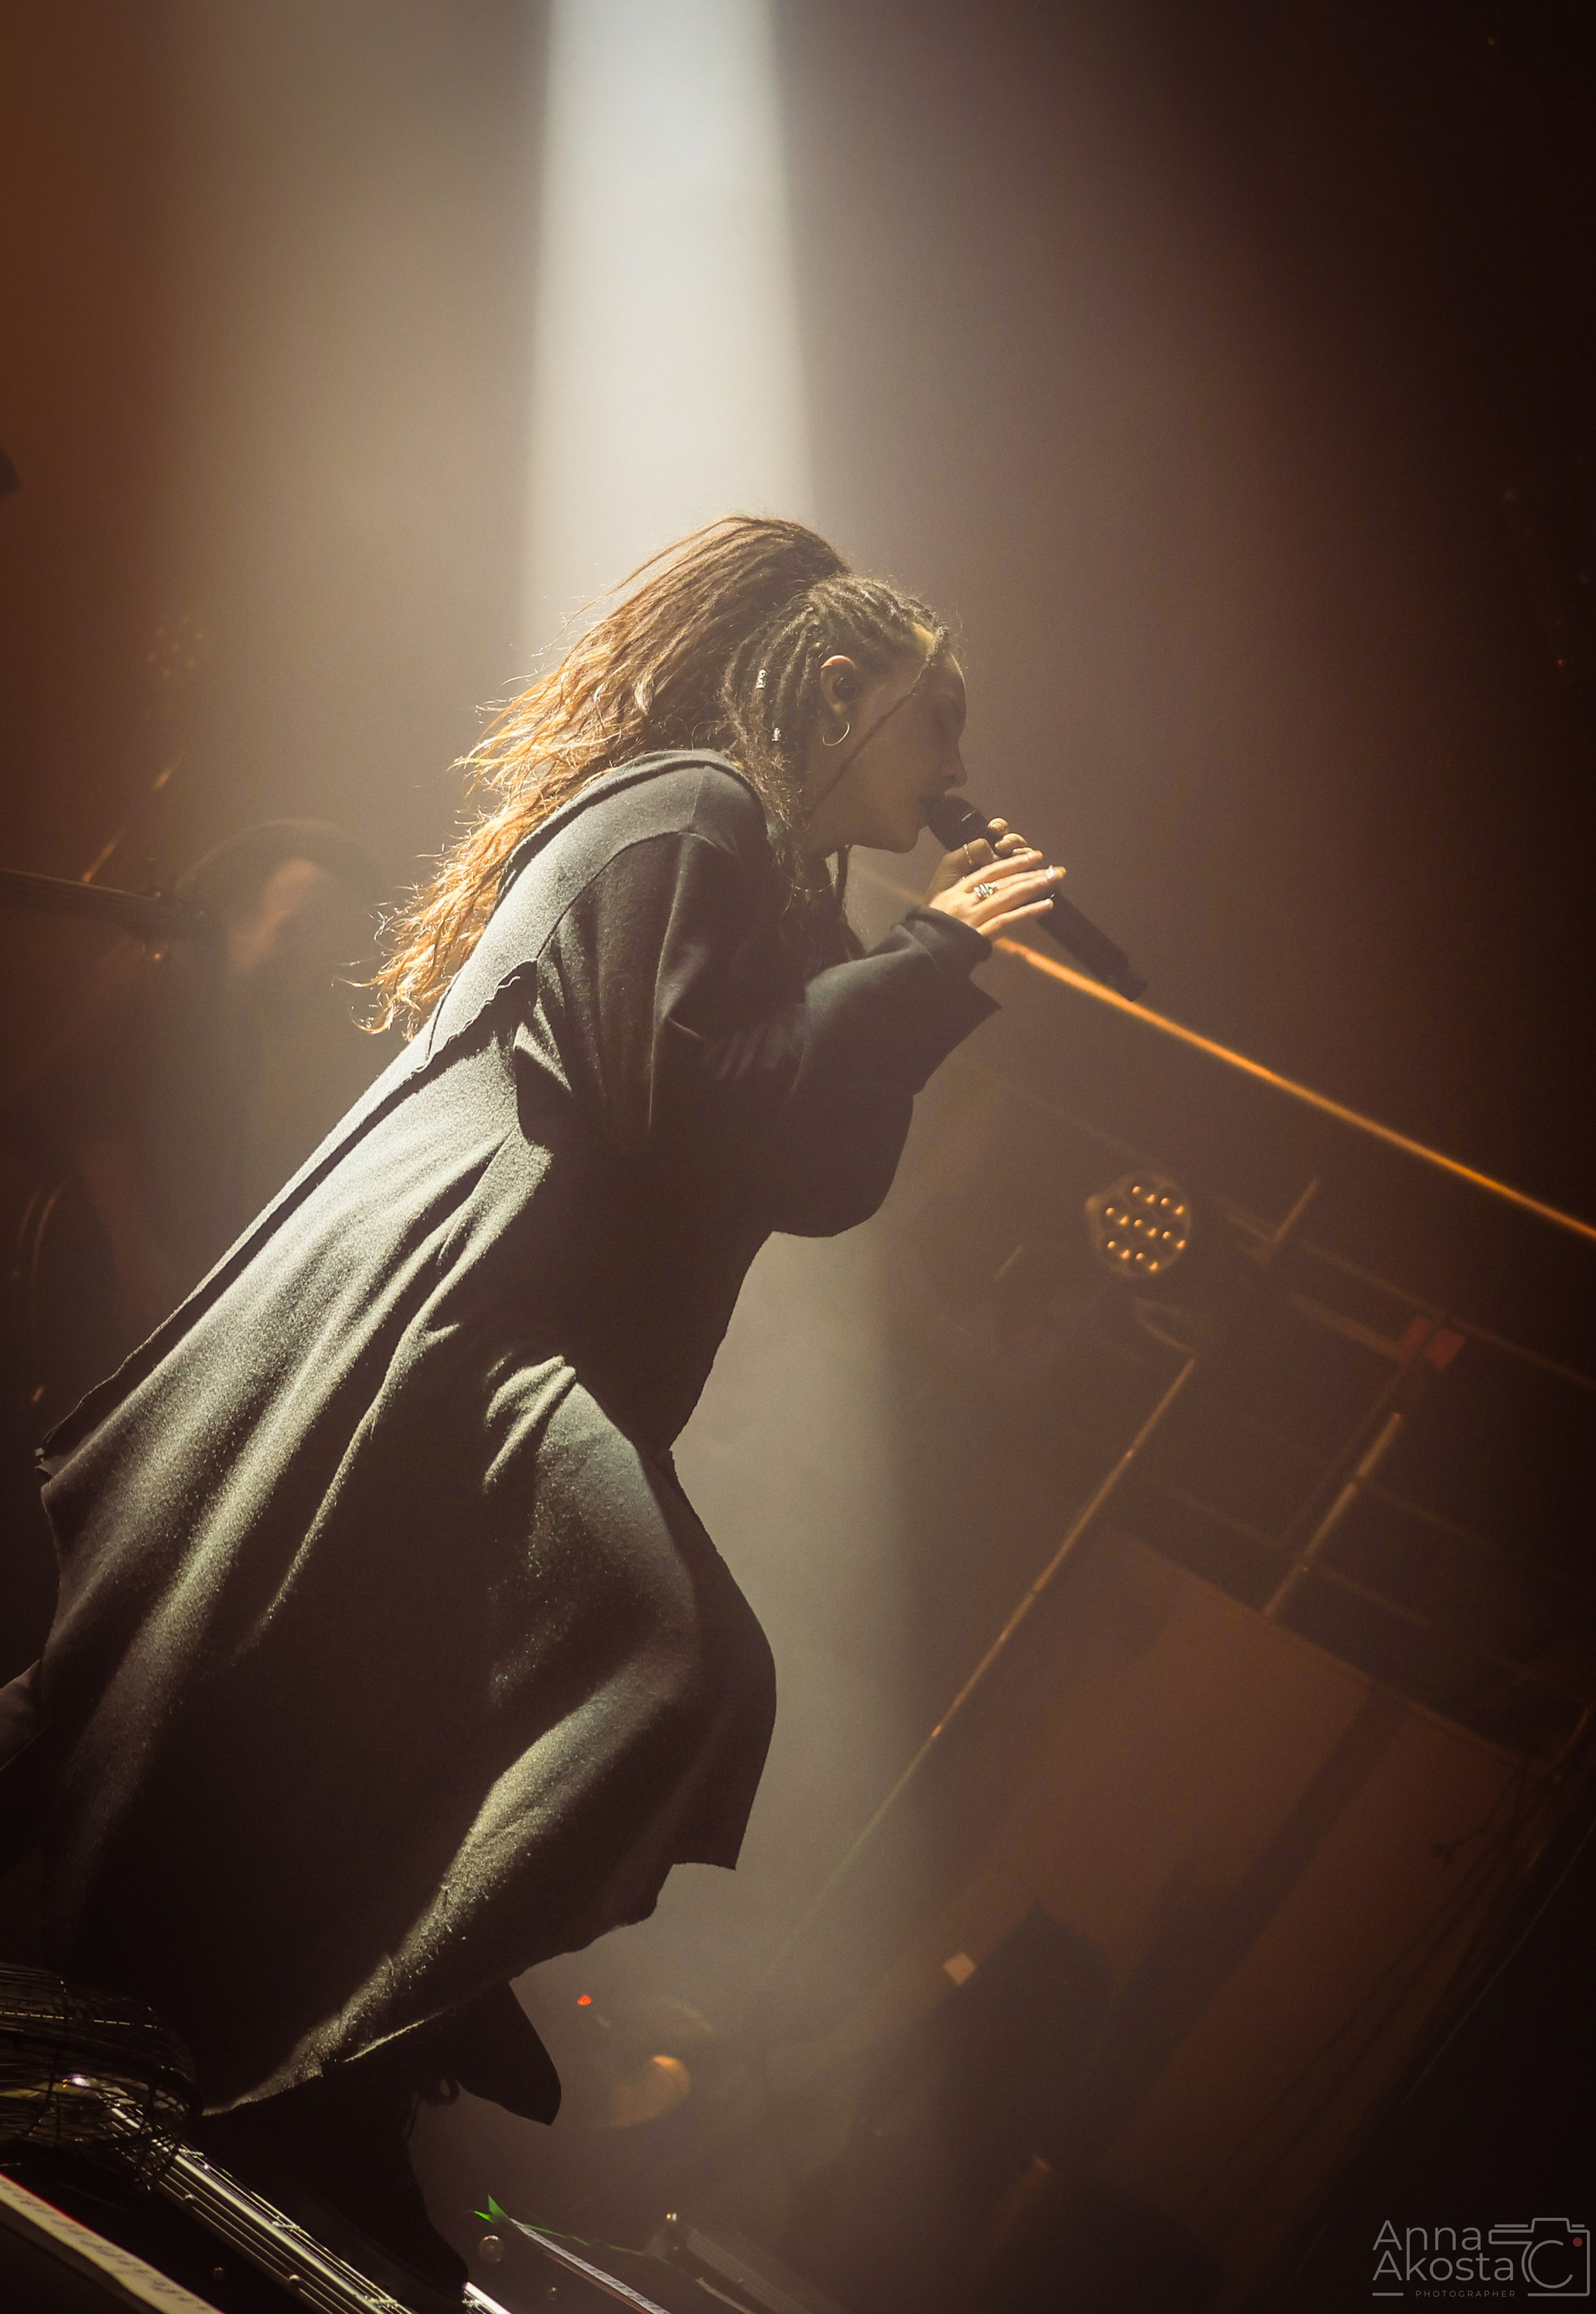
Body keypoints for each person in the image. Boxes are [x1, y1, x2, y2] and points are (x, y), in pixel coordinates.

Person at [0, 518, 1063, 2294]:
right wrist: (921, 964)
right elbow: (684, 1104)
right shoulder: (687, 812)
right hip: (471, 1310)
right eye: (936, 716)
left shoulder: (786, 887)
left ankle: (356, 2027)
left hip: (549, 1338)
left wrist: (925, 978)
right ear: (839, 687)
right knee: (673, 1663)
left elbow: (814, 1174)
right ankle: (375, 2001)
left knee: (307, 1699)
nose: (958, 761)